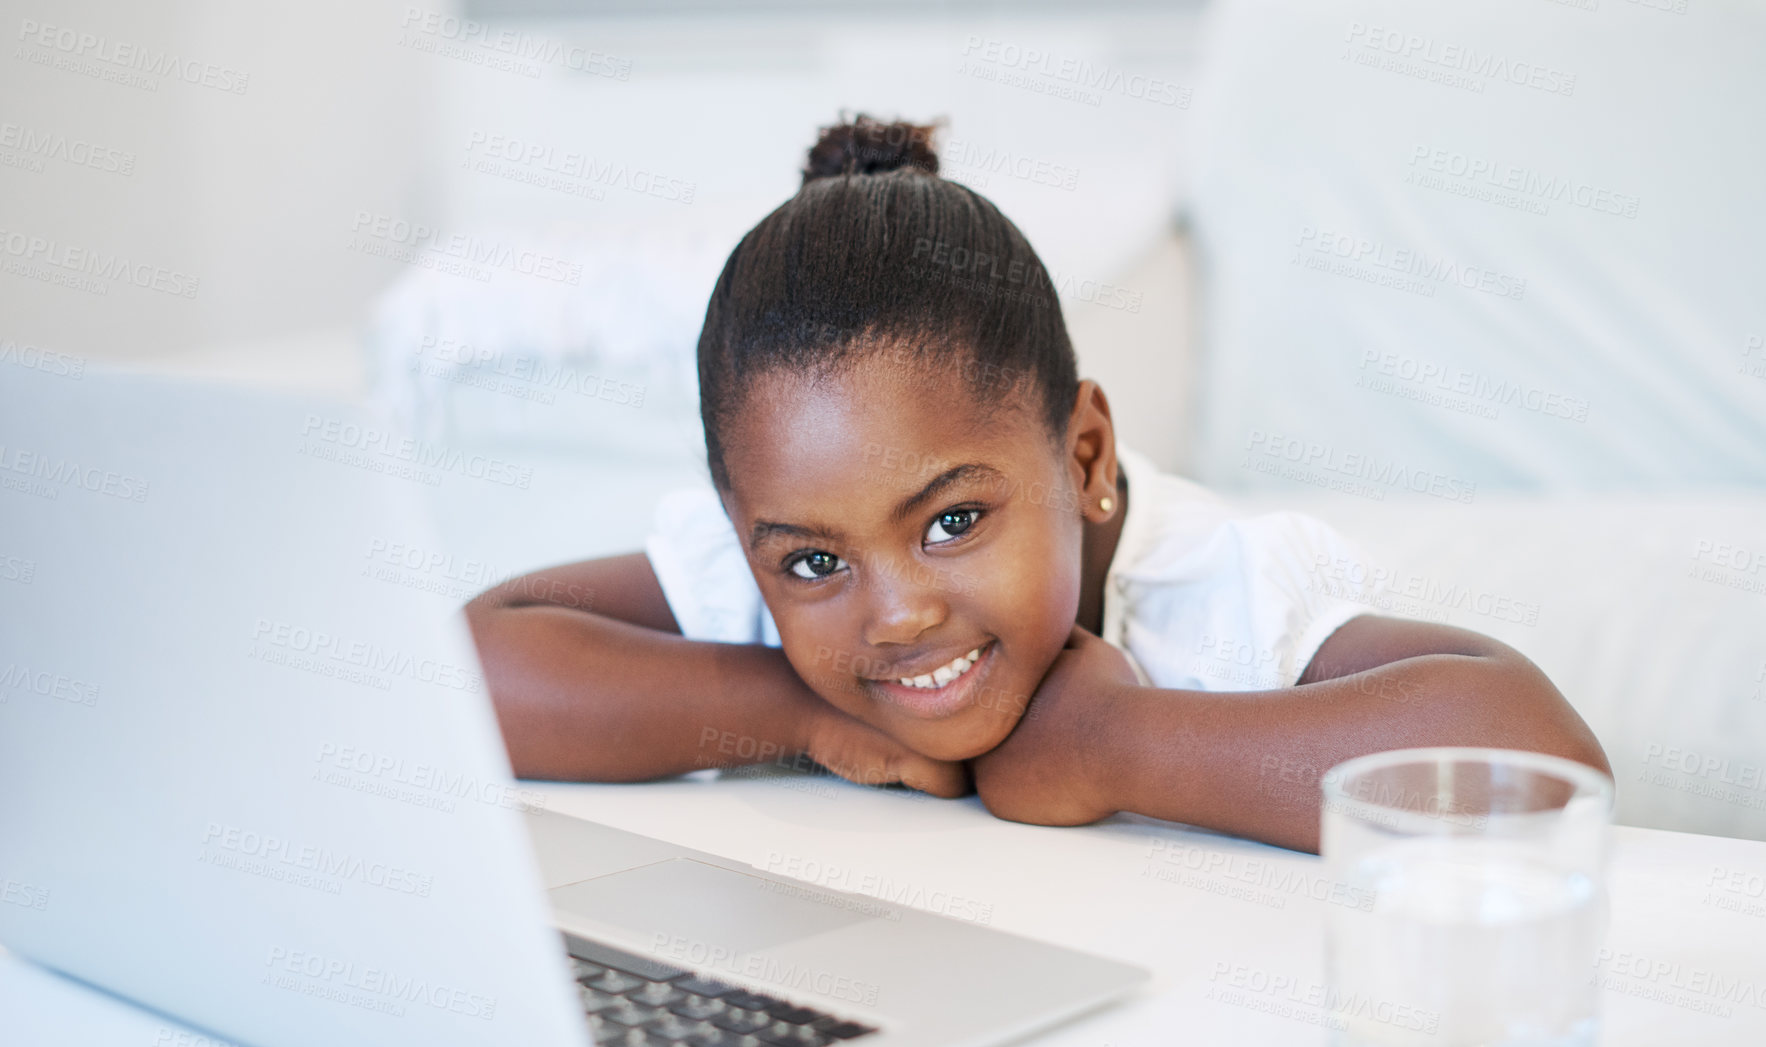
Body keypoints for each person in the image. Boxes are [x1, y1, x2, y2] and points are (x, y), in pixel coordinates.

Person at [465, 115, 1609, 853]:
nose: (896, 612)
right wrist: (800, 713)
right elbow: (470, 662)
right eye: (812, 561)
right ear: (746, 535)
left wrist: (1121, 741)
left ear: (1083, 457)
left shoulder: (1212, 590)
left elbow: (1542, 759)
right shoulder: (786, 605)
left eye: (952, 520)